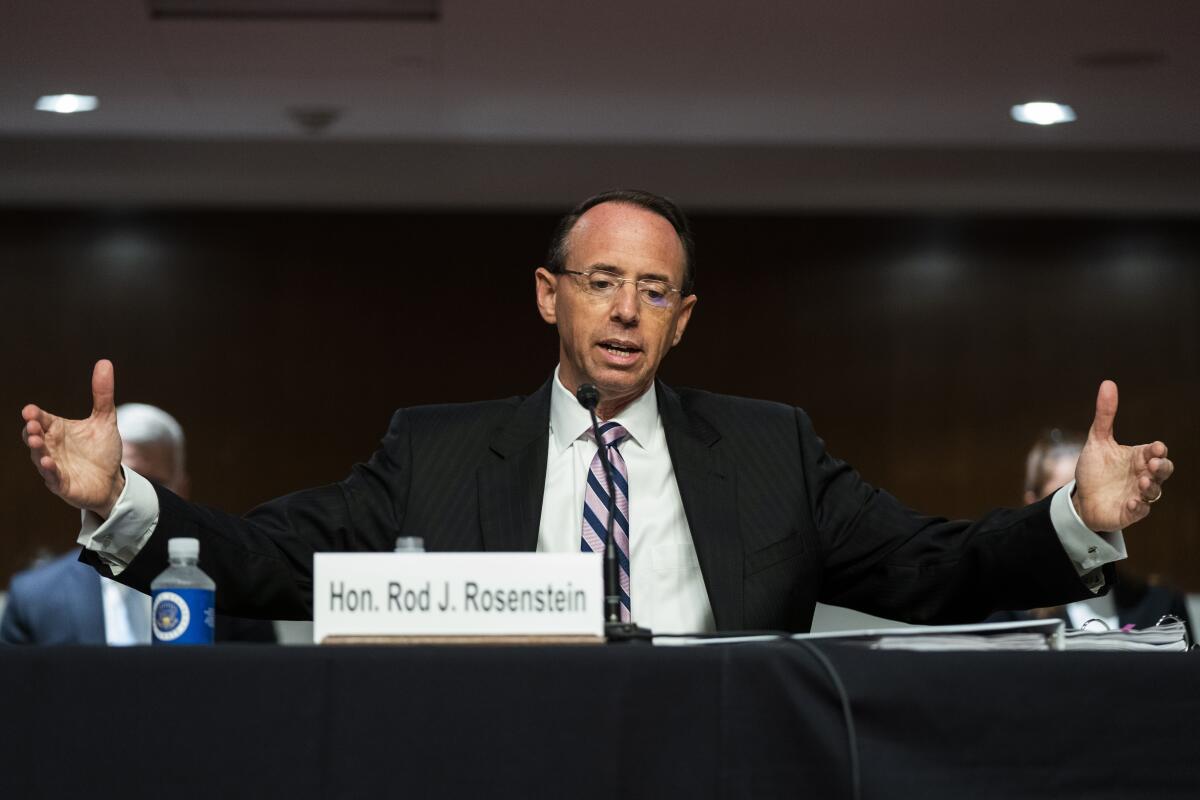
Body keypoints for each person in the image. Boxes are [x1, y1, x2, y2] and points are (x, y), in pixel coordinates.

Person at [18, 190, 1176, 634]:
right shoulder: (439, 448)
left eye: (655, 289)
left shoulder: (773, 449)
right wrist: (123, 501)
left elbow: (934, 566)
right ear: (549, 295)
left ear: (684, 320)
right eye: (601, 281)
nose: (626, 311)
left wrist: (1074, 516)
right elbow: (274, 559)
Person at [3, 403, 275, 644]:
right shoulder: (34, 598)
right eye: (119, 480)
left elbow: (264, 693)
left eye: (151, 485)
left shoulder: (234, 588)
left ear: (182, 490)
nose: (133, 499)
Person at [989, 428, 1192, 638]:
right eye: (1067, 499)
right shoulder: (1009, 609)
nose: (1084, 514)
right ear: (1032, 506)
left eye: (1094, 495)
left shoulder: (1160, 603)